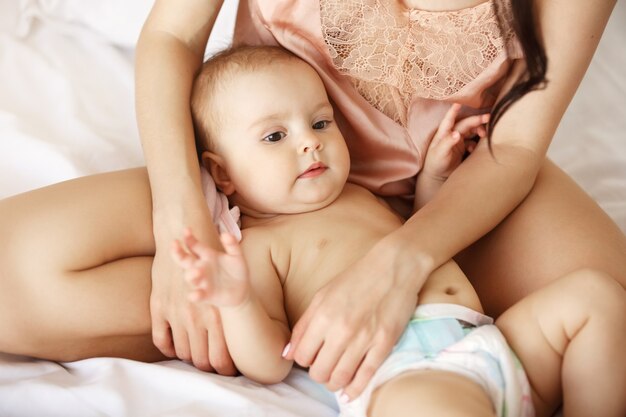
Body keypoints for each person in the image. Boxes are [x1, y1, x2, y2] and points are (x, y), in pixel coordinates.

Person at [132, 0, 626, 393]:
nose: (309, 137)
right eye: (278, 135)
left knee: (607, 304)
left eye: (320, 123)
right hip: (286, 202)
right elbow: (173, 34)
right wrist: (184, 229)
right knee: (57, 276)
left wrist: (405, 248)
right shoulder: (252, 240)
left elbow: (514, 146)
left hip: (453, 208)